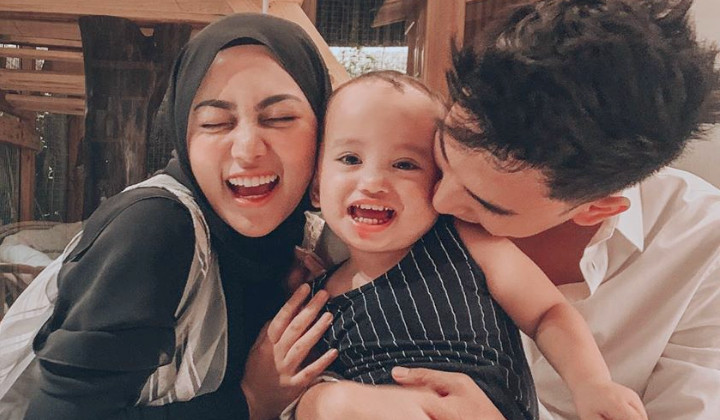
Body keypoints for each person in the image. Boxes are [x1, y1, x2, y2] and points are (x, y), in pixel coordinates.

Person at [378, 0, 720, 419]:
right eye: (444, 156)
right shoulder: (399, 201)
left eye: (486, 204)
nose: (439, 200)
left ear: (595, 208)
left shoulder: (702, 246)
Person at [0, 13, 337, 420]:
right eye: (215, 123)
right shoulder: (155, 228)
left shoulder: (296, 244)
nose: (248, 149)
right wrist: (248, 402)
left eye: (279, 118)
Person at [293, 70, 647, 420]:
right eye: (350, 159)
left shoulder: (465, 241)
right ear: (317, 186)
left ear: (437, 182)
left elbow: (547, 313)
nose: (372, 182)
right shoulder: (315, 295)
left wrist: (591, 384)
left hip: (490, 407)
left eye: (405, 164)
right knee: (327, 402)